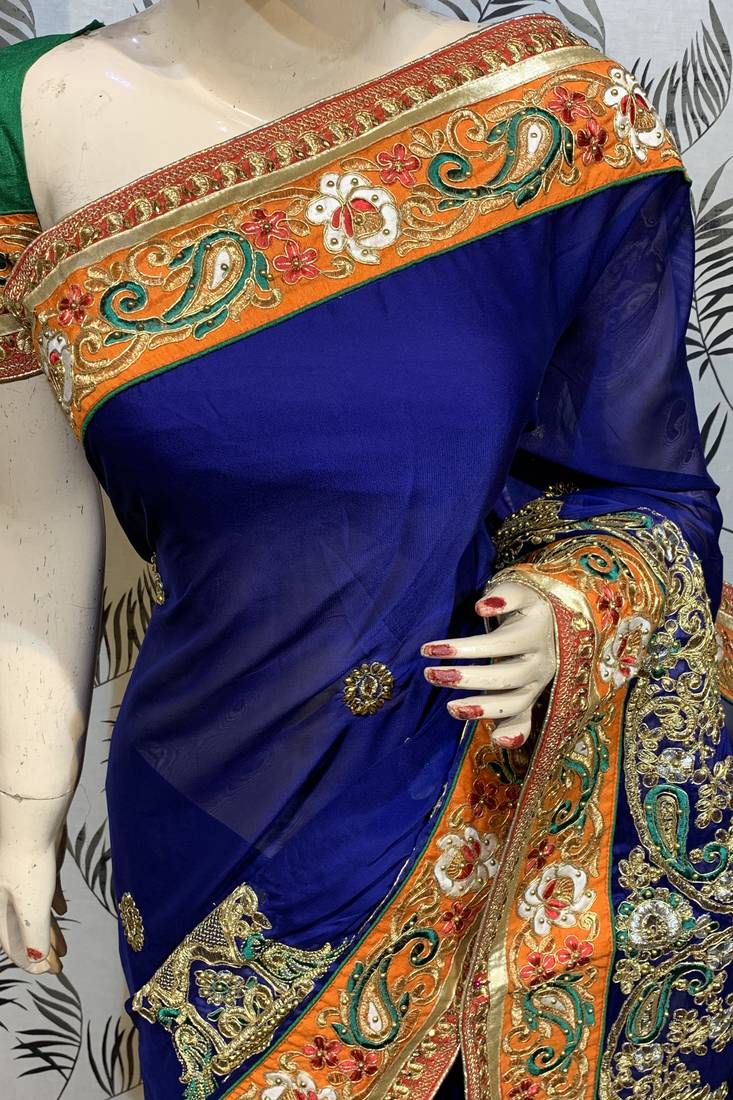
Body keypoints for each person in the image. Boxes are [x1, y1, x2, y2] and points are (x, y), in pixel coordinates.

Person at [0, 3, 731, 1098]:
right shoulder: (34, 123)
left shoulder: (549, 118)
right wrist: (25, 797)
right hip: (213, 815)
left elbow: (639, 482)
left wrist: (568, 607)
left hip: (471, 793)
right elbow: (29, 514)